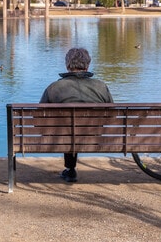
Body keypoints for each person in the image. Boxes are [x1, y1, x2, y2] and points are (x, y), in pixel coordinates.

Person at [40, 47, 113, 183]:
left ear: (67, 65)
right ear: (87, 65)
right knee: (71, 127)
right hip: (94, 134)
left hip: (63, 135)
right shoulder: (101, 86)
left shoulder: (54, 88)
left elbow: (38, 118)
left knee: (67, 128)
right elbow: (112, 115)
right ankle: (70, 169)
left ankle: (70, 169)